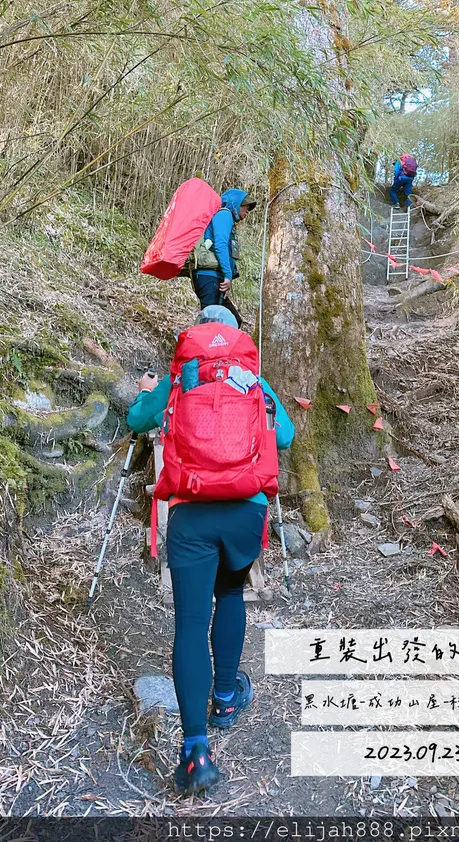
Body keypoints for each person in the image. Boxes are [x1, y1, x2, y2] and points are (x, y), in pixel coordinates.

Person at [127, 304, 294, 796]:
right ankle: (224, 698)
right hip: (245, 510)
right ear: (236, 338)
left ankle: (195, 753)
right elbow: (284, 435)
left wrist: (148, 392)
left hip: (192, 512)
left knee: (190, 622)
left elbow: (138, 419)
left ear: (197, 334)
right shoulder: (252, 378)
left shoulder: (181, 377)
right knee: (232, 594)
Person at [191, 187, 256, 328]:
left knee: (232, 321)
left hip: (213, 277)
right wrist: (227, 275)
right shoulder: (225, 215)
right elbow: (220, 245)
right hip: (209, 277)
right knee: (209, 324)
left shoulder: (227, 218)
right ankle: (196, 342)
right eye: (245, 206)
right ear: (236, 204)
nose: (247, 211)